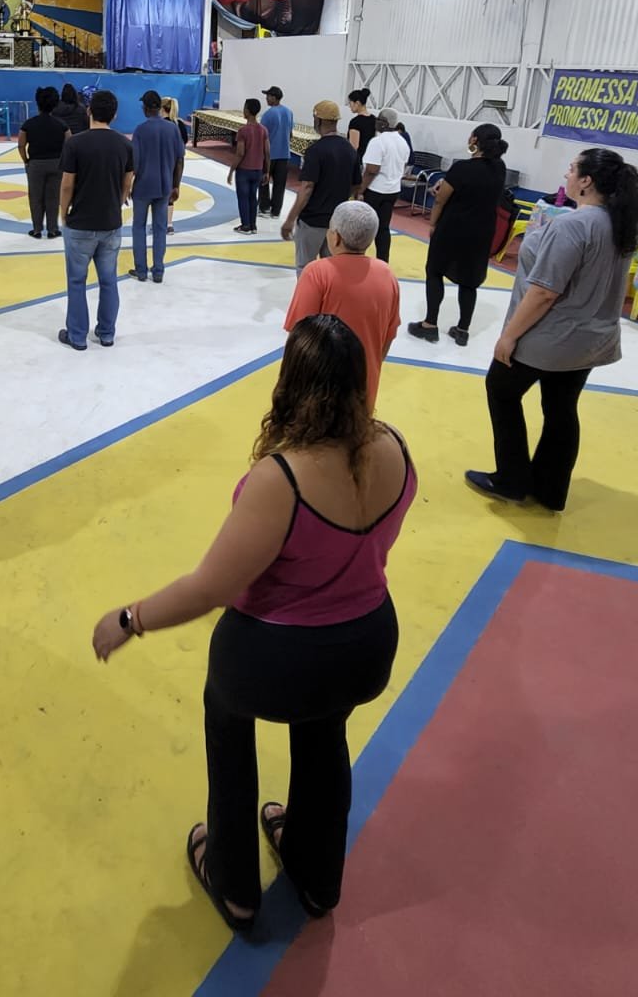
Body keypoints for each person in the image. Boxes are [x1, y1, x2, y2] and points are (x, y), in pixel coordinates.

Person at [91, 316, 416, 932]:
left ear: (290, 382)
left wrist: (131, 619)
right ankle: (318, 878)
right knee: (325, 736)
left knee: (229, 724)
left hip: (277, 657)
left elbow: (210, 587)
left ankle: (235, 883)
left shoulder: (282, 479)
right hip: (368, 642)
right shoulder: (394, 448)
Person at [466, 146, 638, 511]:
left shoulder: (574, 225)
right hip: (591, 340)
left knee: (501, 390)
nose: (565, 175)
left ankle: (511, 478)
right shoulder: (620, 225)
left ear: (586, 181)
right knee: (561, 407)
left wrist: (510, 335)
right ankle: (550, 489)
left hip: (552, 338)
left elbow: (545, 291)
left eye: (571, 169)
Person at [285, 202, 399, 411]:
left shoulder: (317, 272)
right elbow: (388, 336)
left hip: (319, 393)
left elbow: (299, 334)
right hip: (365, 388)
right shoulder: (387, 274)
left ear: (335, 237)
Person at [408, 124, 508, 347]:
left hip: (452, 229)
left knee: (435, 271)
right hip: (482, 232)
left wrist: (433, 223)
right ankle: (462, 330)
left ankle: (430, 325)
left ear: (474, 140)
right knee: (470, 281)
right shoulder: (500, 169)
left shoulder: (461, 168)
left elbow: (441, 199)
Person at [58, 88, 133, 349]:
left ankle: (77, 335)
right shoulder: (125, 144)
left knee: (77, 281)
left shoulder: (75, 143)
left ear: (90, 111)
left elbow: (67, 184)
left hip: (80, 223)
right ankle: (107, 332)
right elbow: (127, 182)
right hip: (111, 223)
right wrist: (118, 200)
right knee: (109, 281)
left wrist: (63, 212)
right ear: (114, 114)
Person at [281, 100, 359, 276]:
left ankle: (308, 302)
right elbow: (356, 185)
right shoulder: (350, 150)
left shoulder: (315, 150)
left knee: (306, 267)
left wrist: (290, 220)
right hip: (337, 223)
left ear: (318, 120)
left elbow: (307, 187)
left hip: (312, 221)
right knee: (332, 268)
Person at [128, 90, 184, 283]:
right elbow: (179, 160)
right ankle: (158, 271)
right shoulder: (173, 129)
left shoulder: (141, 130)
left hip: (143, 187)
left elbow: (133, 164)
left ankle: (141, 271)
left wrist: (127, 186)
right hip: (164, 186)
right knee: (160, 229)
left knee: (139, 227)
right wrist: (176, 185)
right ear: (159, 107)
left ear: (145, 107)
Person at [358, 108, 408, 265]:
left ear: (383, 123)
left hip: (375, 190)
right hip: (393, 190)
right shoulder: (402, 142)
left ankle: (357, 257)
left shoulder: (378, 142)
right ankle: (383, 261)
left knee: (364, 226)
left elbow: (372, 170)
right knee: (384, 228)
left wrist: (361, 190)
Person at [18, 85, 68, 239]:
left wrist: (26, 161)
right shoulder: (62, 125)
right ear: (55, 104)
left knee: (36, 197)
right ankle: (53, 229)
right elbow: (69, 145)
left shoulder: (28, 124)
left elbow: (21, 145)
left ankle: (37, 229)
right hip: (57, 163)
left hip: (36, 164)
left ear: (38, 103)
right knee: (53, 197)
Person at [226, 97, 269, 234]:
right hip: (257, 169)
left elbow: (240, 153)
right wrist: (267, 171)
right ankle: (253, 225)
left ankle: (245, 225)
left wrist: (231, 170)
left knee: (243, 197)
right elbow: (267, 152)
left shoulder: (243, 131)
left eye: (244, 107)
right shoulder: (263, 130)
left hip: (244, 170)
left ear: (248, 111)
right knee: (253, 196)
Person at [258, 86, 294, 220]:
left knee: (263, 181)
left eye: (268, 96)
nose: (266, 98)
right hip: (284, 155)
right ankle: (276, 211)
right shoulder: (289, 112)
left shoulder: (268, 114)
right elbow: (290, 134)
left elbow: (262, 136)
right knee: (280, 184)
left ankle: (264, 207)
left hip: (269, 155)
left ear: (274, 97)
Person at [161, 96, 190, 233]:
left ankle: (161, 222)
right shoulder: (179, 124)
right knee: (172, 189)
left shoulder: (161, 125)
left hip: (163, 161)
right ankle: (169, 223)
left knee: (160, 192)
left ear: (162, 109)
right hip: (177, 162)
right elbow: (184, 142)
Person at [345, 89, 376, 154]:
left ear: (357, 103)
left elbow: (353, 147)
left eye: (350, 103)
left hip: (359, 159)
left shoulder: (355, 122)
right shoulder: (374, 119)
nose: (349, 106)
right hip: (370, 156)